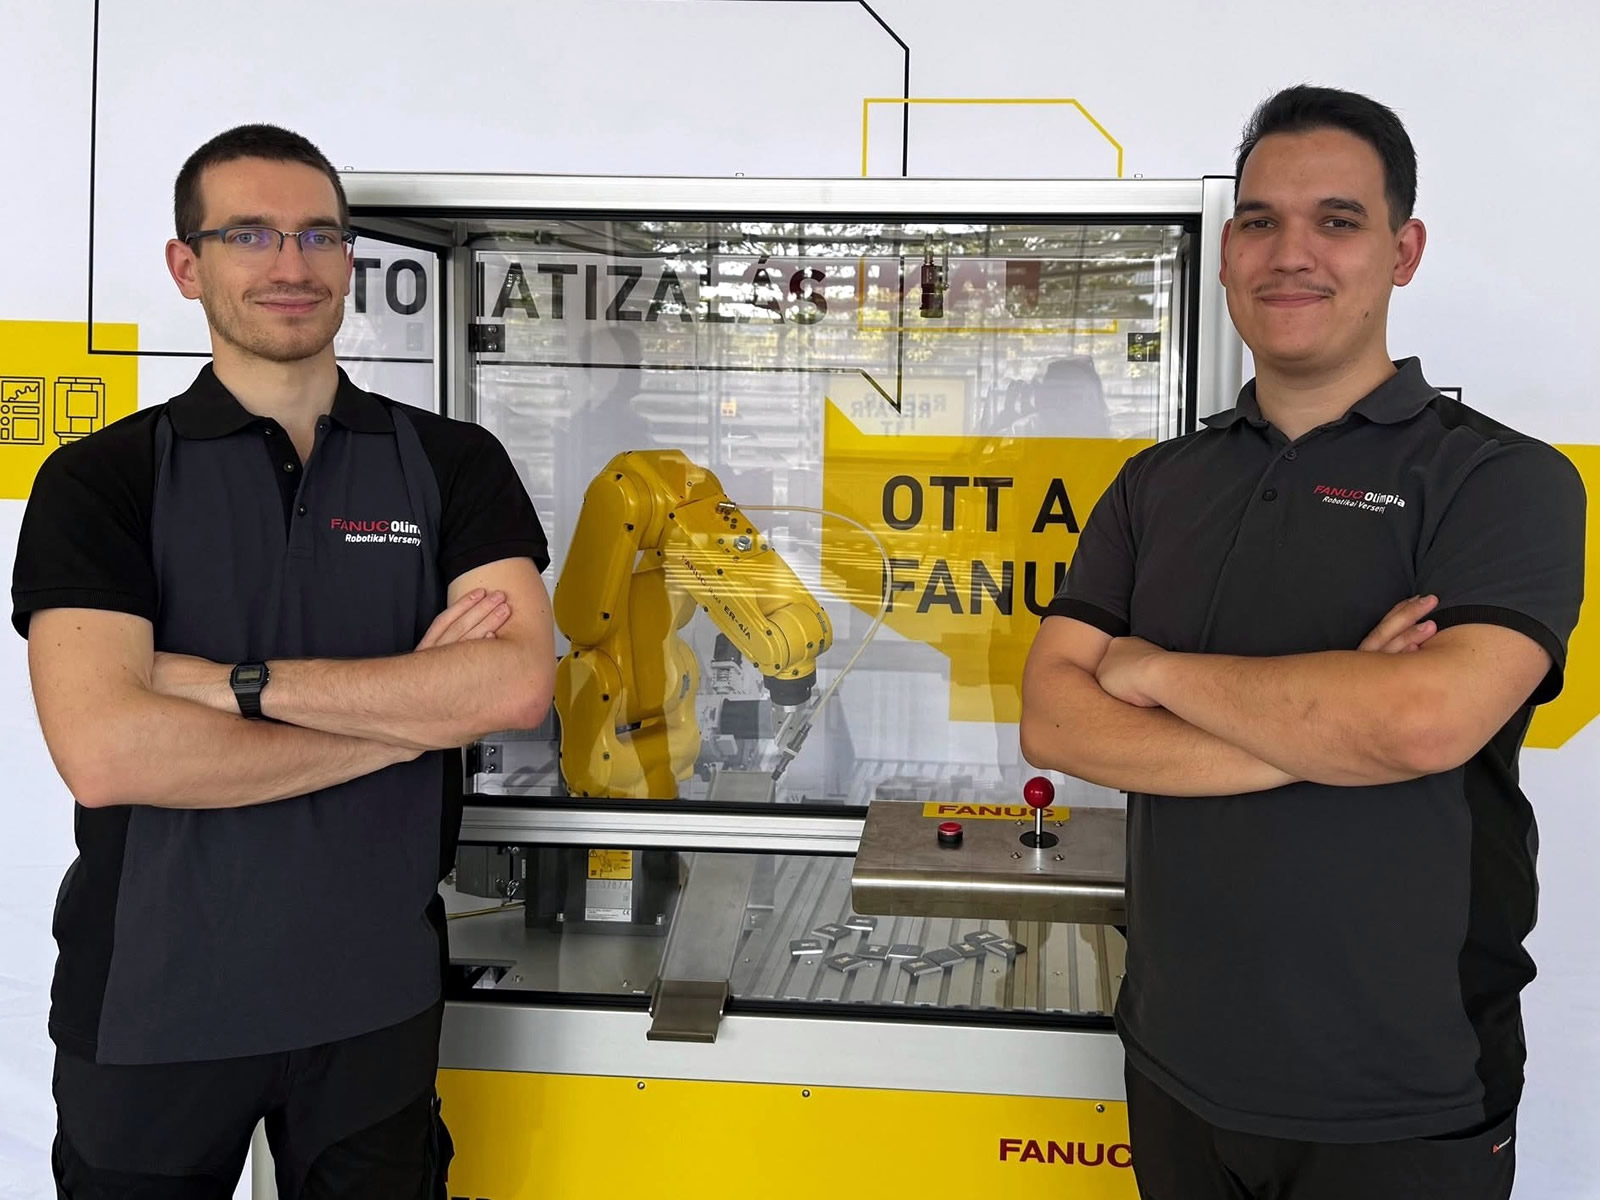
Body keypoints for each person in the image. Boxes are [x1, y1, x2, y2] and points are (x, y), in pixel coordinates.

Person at [1020, 85, 1584, 1200]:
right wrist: (1331, 729)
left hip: (1404, 1096)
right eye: (1259, 221)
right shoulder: (1155, 485)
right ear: (1228, 253)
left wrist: (1152, 672)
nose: (1291, 253)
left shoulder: (1499, 480)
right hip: (1175, 1065)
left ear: (1402, 252)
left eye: (1337, 220)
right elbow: (1055, 719)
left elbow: (1421, 724)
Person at [11, 124, 555, 1198]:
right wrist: (407, 723)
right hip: (153, 1008)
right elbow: (110, 754)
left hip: (373, 1003)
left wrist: (232, 686)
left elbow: (512, 684)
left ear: (350, 262)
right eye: (250, 234)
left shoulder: (452, 463)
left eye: (319, 236)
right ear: (187, 265)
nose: (291, 263)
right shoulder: (102, 481)